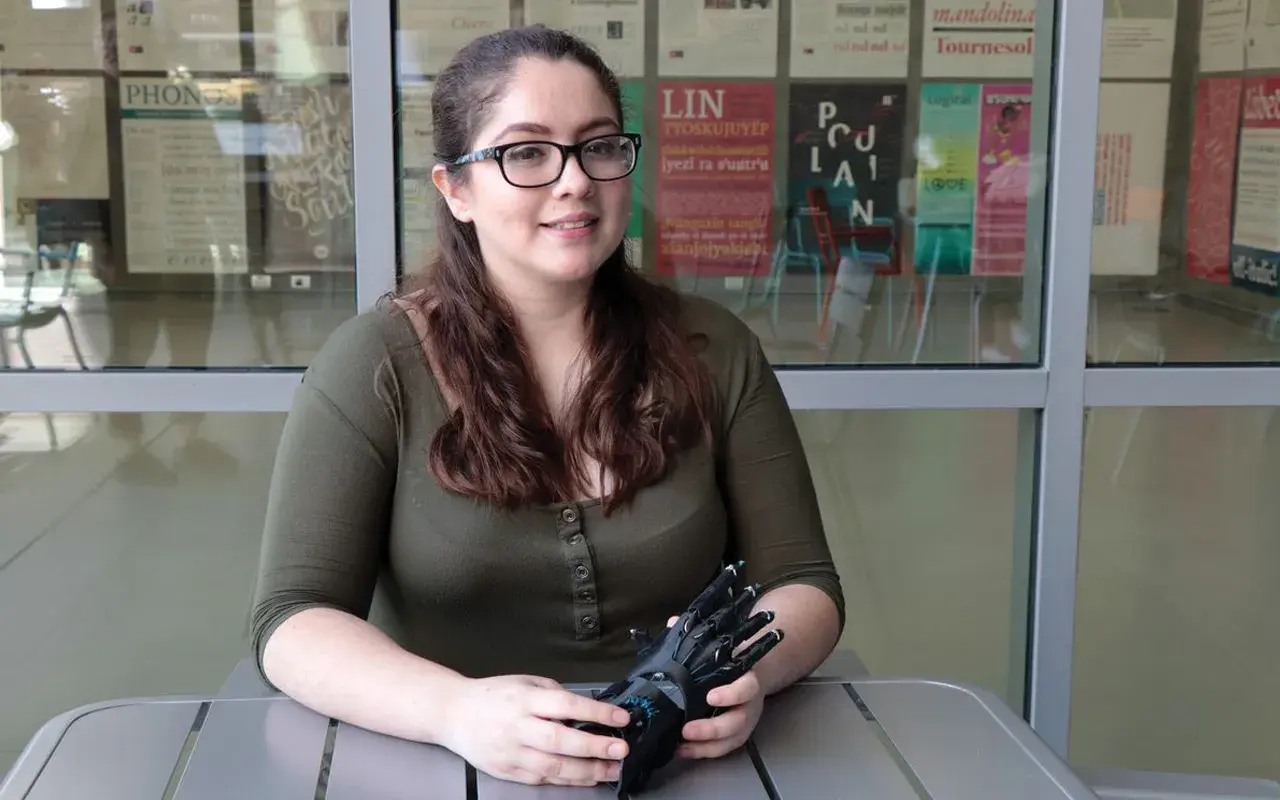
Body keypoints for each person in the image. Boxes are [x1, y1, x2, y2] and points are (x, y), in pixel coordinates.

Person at [249, 24, 845, 789]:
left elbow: (804, 582)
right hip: (441, 768)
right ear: (456, 189)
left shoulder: (714, 349)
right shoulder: (374, 365)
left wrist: (746, 676)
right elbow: (292, 617)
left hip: (684, 770)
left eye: (599, 146)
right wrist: (454, 711)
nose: (574, 181)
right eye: (526, 153)